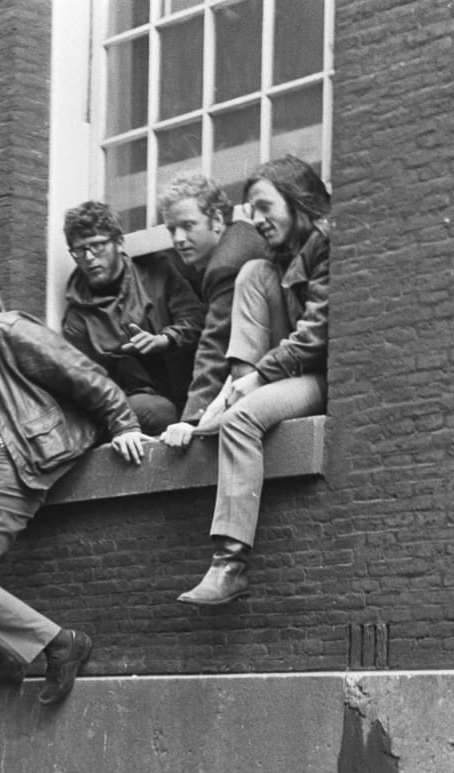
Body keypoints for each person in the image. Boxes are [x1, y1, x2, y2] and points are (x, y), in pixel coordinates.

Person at [0, 268, 144, 704]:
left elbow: (78, 370)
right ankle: (1, 656)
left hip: (7, 467)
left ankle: (61, 643)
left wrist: (123, 422)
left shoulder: (3, 329)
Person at [176, 155, 330, 605]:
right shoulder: (279, 258)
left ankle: (230, 564)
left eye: (265, 207)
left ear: (297, 200)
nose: (258, 220)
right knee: (252, 272)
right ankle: (235, 395)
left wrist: (259, 378)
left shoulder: (325, 242)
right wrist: (240, 382)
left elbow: (316, 336)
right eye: (252, 211)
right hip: (274, 373)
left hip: (316, 374)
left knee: (240, 422)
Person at [61, 199, 205, 434]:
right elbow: (83, 385)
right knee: (157, 411)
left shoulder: (158, 272)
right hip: (129, 407)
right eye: (79, 250)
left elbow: (197, 319)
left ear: (118, 242)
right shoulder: (77, 319)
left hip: (187, 391)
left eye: (97, 246)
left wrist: (166, 339)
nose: (88, 257)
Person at [156, 172, 268, 439]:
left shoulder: (225, 265)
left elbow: (216, 343)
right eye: (172, 229)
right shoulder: (238, 238)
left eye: (188, 225)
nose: (178, 239)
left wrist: (193, 418)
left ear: (217, 219)